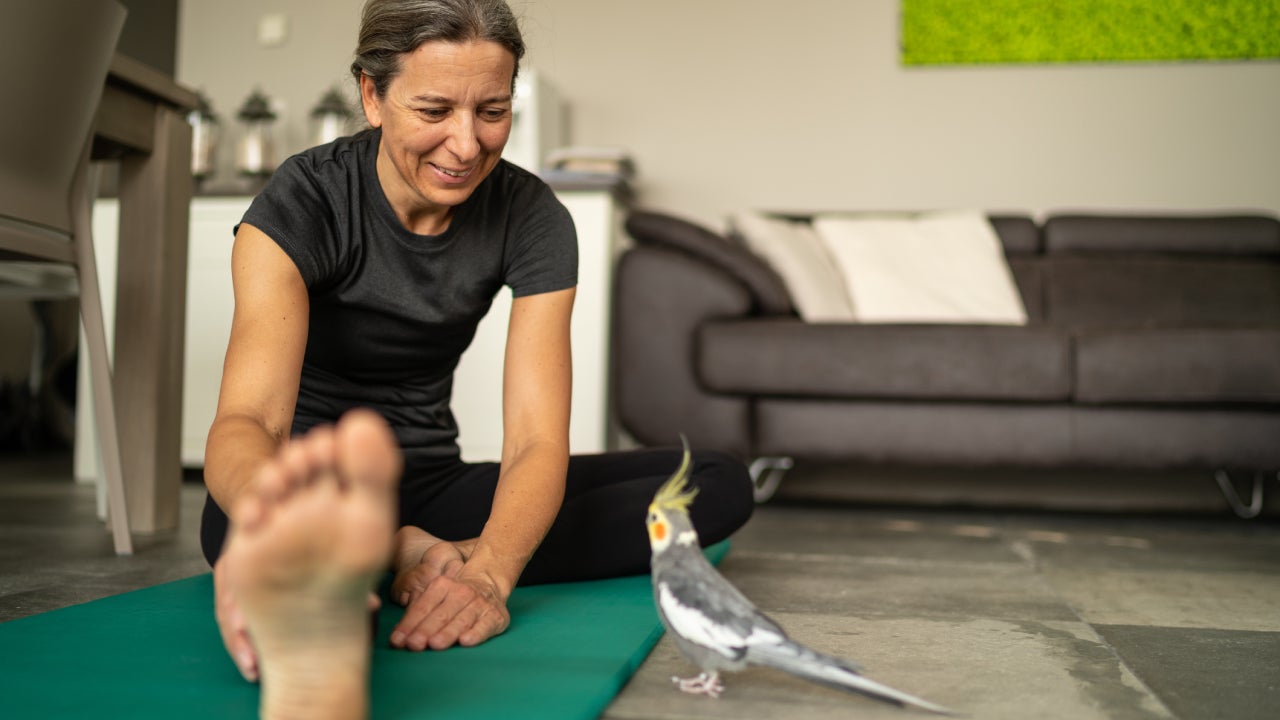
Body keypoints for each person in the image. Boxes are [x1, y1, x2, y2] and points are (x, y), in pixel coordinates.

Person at [200, 1, 755, 717]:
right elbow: (250, 420)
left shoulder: (534, 218)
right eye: (434, 109)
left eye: (492, 111)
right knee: (244, 525)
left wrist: (491, 571)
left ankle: (401, 552)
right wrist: (271, 519)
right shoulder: (302, 201)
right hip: (307, 486)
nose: (465, 144)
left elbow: (533, 440)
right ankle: (342, 563)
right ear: (372, 95)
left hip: (432, 482)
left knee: (716, 484)